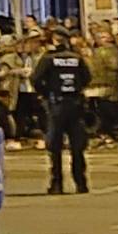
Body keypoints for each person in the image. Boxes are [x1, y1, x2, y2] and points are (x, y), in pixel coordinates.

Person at [33, 32, 92, 194]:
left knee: (55, 146)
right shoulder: (77, 58)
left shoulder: (48, 59)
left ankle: (57, 183)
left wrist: (45, 93)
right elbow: (87, 77)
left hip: (56, 104)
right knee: (77, 145)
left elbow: (36, 79)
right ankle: (81, 182)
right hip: (75, 103)